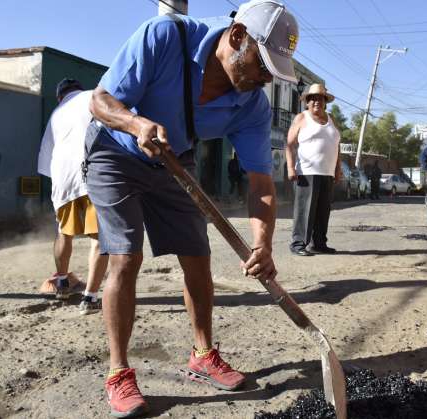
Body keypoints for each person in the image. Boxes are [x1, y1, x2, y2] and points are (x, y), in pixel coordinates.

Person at [85, 1, 298, 416]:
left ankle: (203, 354)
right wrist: (135, 124)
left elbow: (260, 183)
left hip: (174, 159)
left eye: (273, 74)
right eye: (262, 66)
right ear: (237, 37)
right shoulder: (165, 36)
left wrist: (263, 243)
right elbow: (100, 101)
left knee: (198, 256)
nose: (264, 80)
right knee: (126, 256)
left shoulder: (253, 104)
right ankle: (118, 372)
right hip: (114, 151)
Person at [37, 78, 109, 314]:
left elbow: (45, 159)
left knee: (63, 233)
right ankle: (89, 298)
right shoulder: (93, 95)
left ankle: (61, 283)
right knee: (99, 238)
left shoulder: (56, 113)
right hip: (92, 173)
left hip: (62, 179)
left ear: (60, 96)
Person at [286, 83, 342, 256]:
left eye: (320, 98)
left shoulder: (332, 119)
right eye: (313, 99)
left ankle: (319, 243)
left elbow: (337, 146)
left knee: (323, 211)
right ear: (307, 102)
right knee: (305, 210)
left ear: (325, 101)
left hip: (327, 172)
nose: (317, 101)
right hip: (307, 172)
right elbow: (289, 144)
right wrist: (290, 167)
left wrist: (338, 168)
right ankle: (298, 244)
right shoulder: (302, 118)